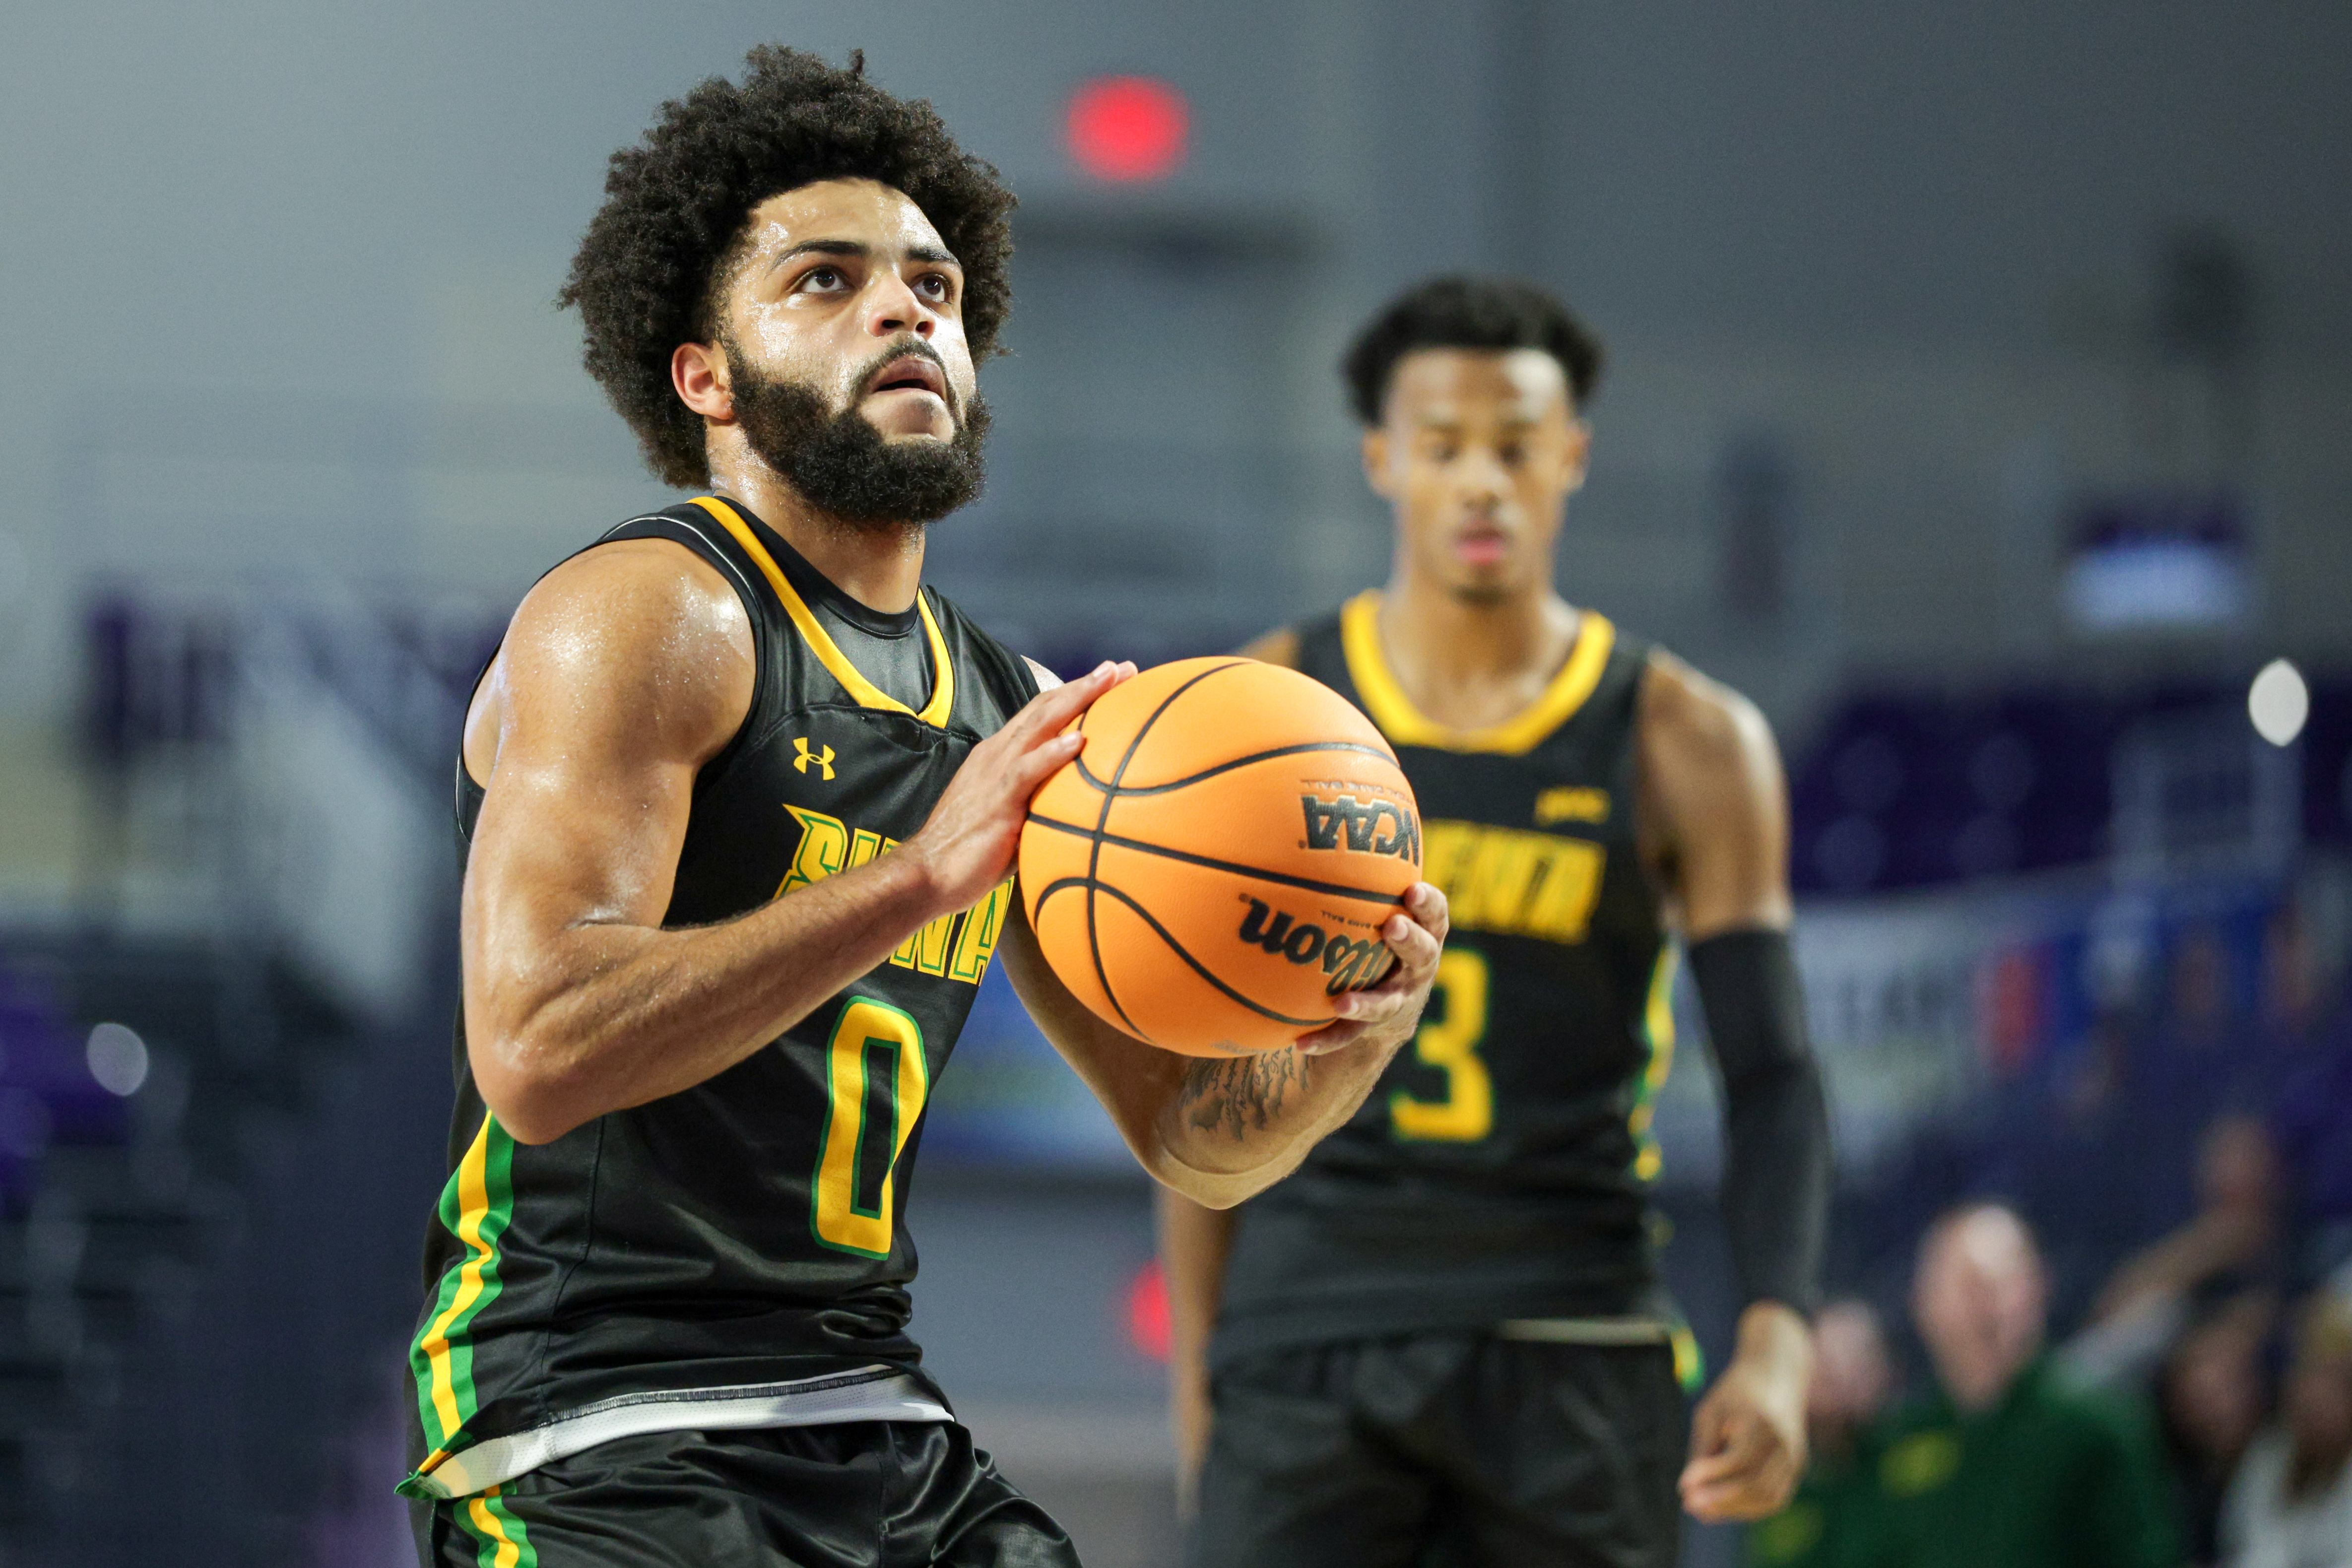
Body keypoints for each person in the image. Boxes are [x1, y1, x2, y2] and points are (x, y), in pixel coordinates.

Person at [395, 48, 1448, 1568]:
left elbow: (1185, 1135)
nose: (904, 312)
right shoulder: (645, 615)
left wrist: (1348, 1048)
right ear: (704, 375)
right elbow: (539, 1049)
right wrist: (914, 878)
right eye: (824, 281)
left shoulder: (1002, 705)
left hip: (872, 1420)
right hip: (592, 1425)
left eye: (934, 289)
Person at [1157, 276, 1833, 1568]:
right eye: (1442, 446)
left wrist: (1777, 1338)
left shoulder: (1686, 739)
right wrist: (1201, 1367)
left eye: (1514, 448)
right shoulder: (1267, 707)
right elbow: (1199, 1079)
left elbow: (1773, 1074)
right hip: (1312, 1329)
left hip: (1571, 1330)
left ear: (1569, 456)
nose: (1479, 482)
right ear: (1380, 460)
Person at [1868, 1203, 2177, 1568]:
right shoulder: (1897, 1441)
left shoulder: (2095, 1424)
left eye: (2000, 1285)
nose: (1985, 1308)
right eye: (1967, 1287)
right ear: (1921, 1303)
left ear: (2040, 1288)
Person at [1748, 1301, 1897, 1568]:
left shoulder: (1909, 1463)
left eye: (1851, 1359)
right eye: (1824, 1362)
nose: (1835, 1374)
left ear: (1883, 1370)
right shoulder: (1777, 1481)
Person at [2220, 1292, 2352, 1568]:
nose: (2316, 1396)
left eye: (2337, 1385)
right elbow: (2239, 1547)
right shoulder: (2269, 1451)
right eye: (2309, 1375)